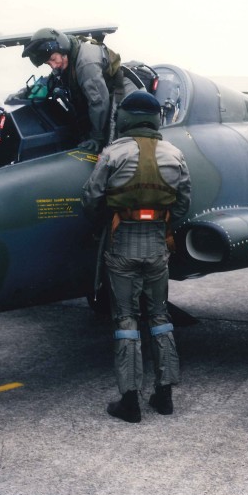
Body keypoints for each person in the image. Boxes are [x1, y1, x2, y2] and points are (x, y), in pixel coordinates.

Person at [82, 91, 191, 423]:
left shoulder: (113, 153)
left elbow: (90, 198)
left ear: (125, 119)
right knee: (159, 318)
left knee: (126, 320)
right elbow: (184, 204)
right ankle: (165, 394)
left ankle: (129, 401)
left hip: (123, 246)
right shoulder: (175, 155)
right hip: (157, 247)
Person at [22, 28, 138, 153]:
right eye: (49, 63)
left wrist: (97, 137)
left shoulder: (85, 63)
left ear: (62, 48)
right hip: (102, 93)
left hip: (120, 93)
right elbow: (54, 79)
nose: (54, 65)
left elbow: (99, 103)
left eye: (53, 59)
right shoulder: (67, 55)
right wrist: (30, 92)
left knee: (111, 144)